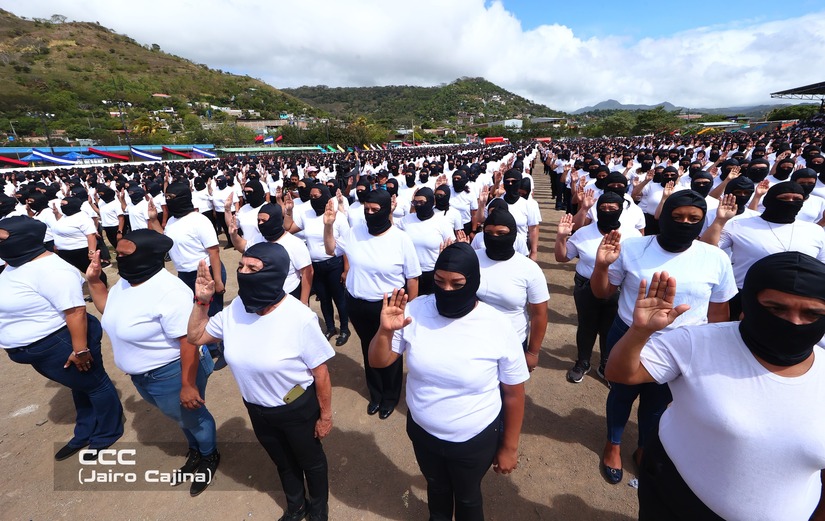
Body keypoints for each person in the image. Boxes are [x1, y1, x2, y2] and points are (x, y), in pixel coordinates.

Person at [606, 253, 825, 520]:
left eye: (812, 313)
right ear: (750, 303)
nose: (793, 322)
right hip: (673, 497)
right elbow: (619, 373)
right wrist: (640, 332)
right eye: (775, 309)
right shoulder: (697, 342)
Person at [368, 242, 528, 521]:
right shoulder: (415, 310)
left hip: (473, 439)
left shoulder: (497, 325)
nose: (447, 290)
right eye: (439, 281)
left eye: (457, 283)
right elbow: (379, 361)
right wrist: (384, 331)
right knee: (437, 490)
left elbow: (514, 394)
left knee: (467, 497)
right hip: (422, 432)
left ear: (474, 282)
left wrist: (509, 447)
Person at [591, 190, 737, 484]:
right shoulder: (634, 248)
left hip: (682, 344)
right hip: (631, 335)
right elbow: (602, 292)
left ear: (701, 222)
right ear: (663, 215)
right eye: (677, 216)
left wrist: (712, 350)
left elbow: (720, 313)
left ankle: (645, 446)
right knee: (621, 393)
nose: (684, 222)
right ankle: (614, 444)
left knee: (659, 402)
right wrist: (602, 266)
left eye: (693, 219)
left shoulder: (715, 258)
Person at [188, 243, 334, 521]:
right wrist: (202, 300)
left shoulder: (300, 318)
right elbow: (196, 337)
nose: (244, 272)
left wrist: (325, 415)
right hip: (257, 409)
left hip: (297, 409)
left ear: (276, 273)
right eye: (241, 266)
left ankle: (318, 510)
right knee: (283, 462)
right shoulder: (235, 310)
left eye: (253, 268)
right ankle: (296, 507)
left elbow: (321, 373)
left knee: (311, 462)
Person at [86, 229, 219, 496]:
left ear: (148, 255)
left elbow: (188, 341)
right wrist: (95, 281)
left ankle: (209, 456)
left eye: (125, 254)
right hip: (146, 377)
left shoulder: (169, 291)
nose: (119, 259)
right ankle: (195, 450)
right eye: (118, 254)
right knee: (181, 417)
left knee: (193, 417)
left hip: (172, 373)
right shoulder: (126, 283)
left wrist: (187, 384)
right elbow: (109, 311)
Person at [0, 216, 123, 461]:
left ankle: (106, 433)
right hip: (41, 347)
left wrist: (80, 350)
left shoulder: (52, 269)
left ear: (22, 239)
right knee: (79, 385)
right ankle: (86, 431)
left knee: (94, 384)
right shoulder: (16, 264)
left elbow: (75, 311)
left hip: (62, 341)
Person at [324, 189, 421, 419]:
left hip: (387, 307)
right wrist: (328, 225)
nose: (369, 213)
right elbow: (330, 249)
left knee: (391, 351)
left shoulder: (401, 239)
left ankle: (390, 395)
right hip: (357, 304)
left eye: (375, 210)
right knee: (368, 348)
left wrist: (411, 311)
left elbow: (413, 278)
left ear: (387, 210)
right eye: (366, 209)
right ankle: (375, 393)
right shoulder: (354, 232)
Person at [555, 192, 642, 383]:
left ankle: (606, 364)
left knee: (610, 328)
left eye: (613, 209)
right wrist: (561, 238)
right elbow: (562, 257)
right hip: (586, 286)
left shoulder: (632, 235)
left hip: (618, 289)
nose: (607, 212)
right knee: (587, 325)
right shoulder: (584, 233)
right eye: (603, 208)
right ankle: (583, 362)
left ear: (621, 210)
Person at [475, 208, 549, 372]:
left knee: (508, 394)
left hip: (512, 343)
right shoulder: (472, 258)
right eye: (489, 232)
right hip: (475, 340)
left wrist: (533, 352)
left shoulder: (529, 268)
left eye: (501, 233)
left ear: (513, 234)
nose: (494, 237)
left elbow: (540, 314)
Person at [396, 187, 454, 295]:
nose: (418, 205)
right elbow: (392, 233)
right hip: (410, 274)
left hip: (432, 273)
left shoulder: (442, 222)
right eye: (415, 202)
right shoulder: (406, 220)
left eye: (421, 202)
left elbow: (451, 246)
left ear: (431, 202)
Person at [52, 196, 107, 287]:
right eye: (61, 204)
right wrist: (56, 213)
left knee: (93, 270)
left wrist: (91, 252)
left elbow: (91, 235)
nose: (61, 206)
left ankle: (101, 288)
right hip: (64, 251)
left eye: (64, 204)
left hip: (80, 250)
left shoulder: (82, 217)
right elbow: (62, 226)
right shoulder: (65, 216)